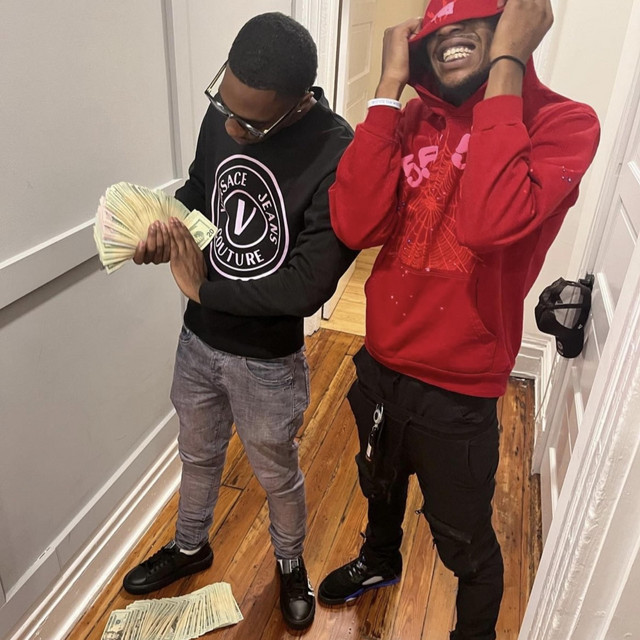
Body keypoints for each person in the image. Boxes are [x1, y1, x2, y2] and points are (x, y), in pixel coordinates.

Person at [318, 1, 599, 639]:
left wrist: (508, 64)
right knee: (378, 480)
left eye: (471, 19)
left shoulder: (563, 123)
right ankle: (380, 559)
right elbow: (355, 224)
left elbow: (489, 225)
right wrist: (387, 89)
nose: (448, 36)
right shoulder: (411, 117)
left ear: (511, 23)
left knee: (464, 541)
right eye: (437, 27)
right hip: (382, 358)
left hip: (459, 385)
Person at [122, 12, 356, 631]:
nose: (230, 126)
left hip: (268, 361)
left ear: (298, 103)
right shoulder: (227, 109)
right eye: (222, 104)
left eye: (250, 124)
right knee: (197, 454)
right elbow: (202, 189)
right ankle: (190, 546)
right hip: (198, 341)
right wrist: (165, 226)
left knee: (276, 473)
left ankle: (289, 563)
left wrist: (203, 290)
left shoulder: (338, 150)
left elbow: (308, 285)